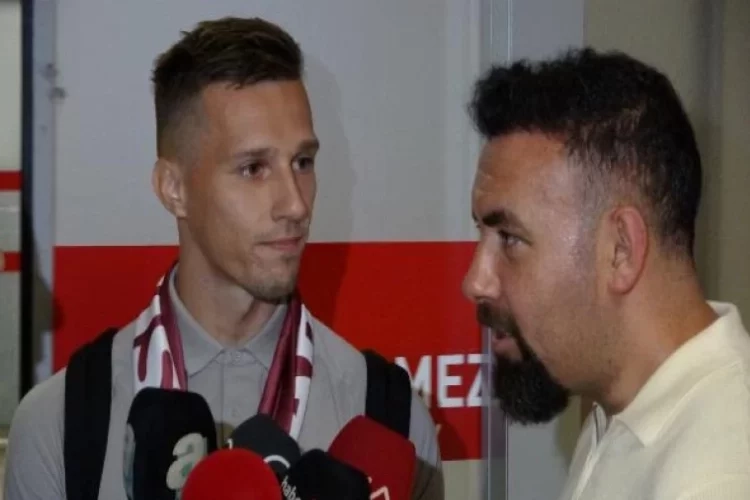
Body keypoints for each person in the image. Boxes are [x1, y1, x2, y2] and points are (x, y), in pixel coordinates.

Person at [4, 17, 442, 500]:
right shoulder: (58, 426)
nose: (296, 204)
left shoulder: (391, 421)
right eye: (254, 168)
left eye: (303, 162)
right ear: (173, 188)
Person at [462, 48, 750, 499]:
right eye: (482, 234)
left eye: (511, 239)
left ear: (620, 250)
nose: (475, 282)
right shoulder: (623, 411)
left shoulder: (717, 480)